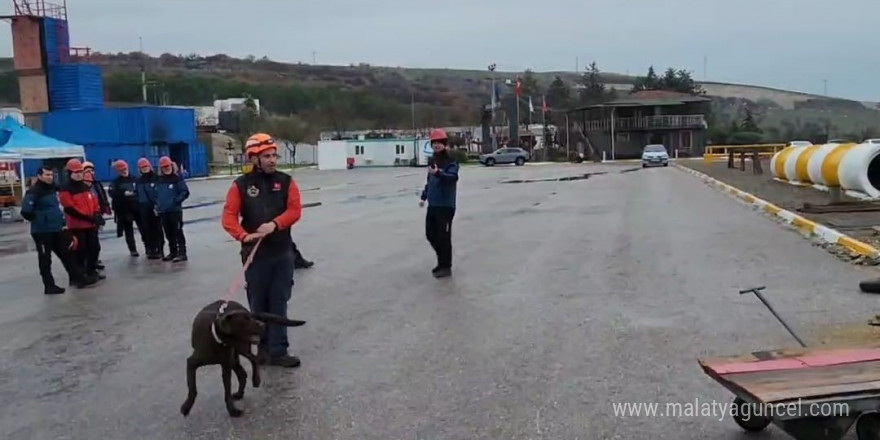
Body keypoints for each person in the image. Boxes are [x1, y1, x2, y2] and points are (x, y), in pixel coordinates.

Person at [222, 132, 303, 368]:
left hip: (282, 252)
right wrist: (242, 235)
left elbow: (295, 210)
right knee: (258, 304)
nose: (272, 160)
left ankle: (279, 350)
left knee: (279, 300)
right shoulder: (240, 185)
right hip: (255, 255)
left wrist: (275, 224)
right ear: (253, 158)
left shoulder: (286, 181)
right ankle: (263, 349)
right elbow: (228, 216)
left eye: (274, 155)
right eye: (266, 156)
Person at [20, 166, 98, 293]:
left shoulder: (52, 189)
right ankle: (49, 286)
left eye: (51, 174)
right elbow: (26, 211)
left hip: (56, 229)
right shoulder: (34, 192)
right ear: (39, 176)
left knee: (68, 254)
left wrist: (61, 223)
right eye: (47, 175)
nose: (50, 177)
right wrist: (40, 219)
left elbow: (56, 208)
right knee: (45, 259)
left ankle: (78, 278)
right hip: (42, 232)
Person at [419, 128, 459, 278]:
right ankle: (441, 260)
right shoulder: (433, 160)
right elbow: (430, 181)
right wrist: (424, 196)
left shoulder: (450, 160)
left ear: (444, 144)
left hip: (446, 205)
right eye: (434, 143)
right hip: (433, 204)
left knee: (444, 236)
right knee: (430, 234)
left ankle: (446, 266)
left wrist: (439, 173)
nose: (436, 145)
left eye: (439, 143)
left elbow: (452, 177)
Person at [58, 159, 105, 280]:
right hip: (77, 226)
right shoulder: (65, 189)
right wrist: (88, 217)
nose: (79, 174)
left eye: (80, 172)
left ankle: (91, 270)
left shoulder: (85, 186)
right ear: (69, 173)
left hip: (90, 224)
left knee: (94, 248)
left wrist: (96, 214)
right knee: (81, 251)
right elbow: (69, 208)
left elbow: (94, 201)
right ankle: (80, 275)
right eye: (76, 172)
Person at [155, 156, 190, 262]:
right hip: (163, 211)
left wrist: (176, 200)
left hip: (175, 211)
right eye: (164, 167)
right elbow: (156, 194)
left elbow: (185, 192)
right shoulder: (159, 180)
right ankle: (173, 252)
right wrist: (158, 204)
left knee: (178, 232)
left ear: (171, 165)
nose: (166, 168)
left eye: (167, 166)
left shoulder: (177, 178)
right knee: (168, 233)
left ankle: (182, 253)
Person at [108, 159, 143, 257]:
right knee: (128, 230)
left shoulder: (135, 179)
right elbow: (112, 193)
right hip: (124, 210)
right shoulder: (116, 182)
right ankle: (133, 250)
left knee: (143, 228)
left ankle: (148, 247)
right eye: (121, 169)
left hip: (137, 208)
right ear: (118, 171)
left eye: (125, 168)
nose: (124, 170)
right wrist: (123, 193)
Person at [136, 158, 165, 259]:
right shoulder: (139, 181)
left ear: (150, 166)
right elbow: (137, 194)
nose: (144, 169)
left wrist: (158, 204)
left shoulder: (157, 178)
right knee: (147, 230)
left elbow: (160, 193)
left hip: (155, 207)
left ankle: (160, 249)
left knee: (157, 229)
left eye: (146, 166)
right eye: (142, 167)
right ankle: (151, 249)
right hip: (143, 208)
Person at [83, 161, 110, 269]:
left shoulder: (96, 183)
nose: (90, 173)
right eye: (87, 171)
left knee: (95, 241)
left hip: (97, 214)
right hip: (87, 217)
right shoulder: (82, 187)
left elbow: (101, 195)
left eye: (92, 170)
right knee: (88, 243)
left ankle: (94, 260)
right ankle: (88, 262)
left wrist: (105, 206)